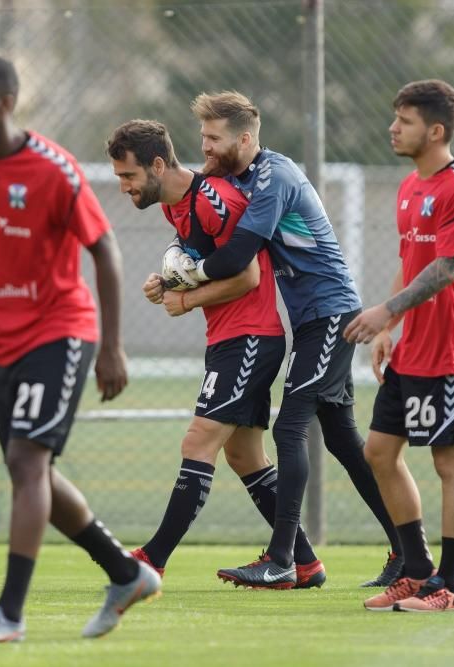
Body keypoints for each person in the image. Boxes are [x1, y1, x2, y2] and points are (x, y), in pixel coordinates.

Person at [0, 55, 160, 643]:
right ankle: (125, 572)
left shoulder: (53, 169)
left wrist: (112, 347)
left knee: (27, 464)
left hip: (62, 329)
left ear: (4, 103)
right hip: (9, 340)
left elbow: (105, 250)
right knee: (30, 468)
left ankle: (8, 614)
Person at [167, 91, 403, 589]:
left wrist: (185, 279)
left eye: (213, 138)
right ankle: (408, 549)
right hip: (312, 320)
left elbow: (237, 258)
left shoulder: (276, 176)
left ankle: (283, 560)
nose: (204, 148)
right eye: (202, 138)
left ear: (245, 138)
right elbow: (197, 211)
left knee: (290, 427)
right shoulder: (232, 177)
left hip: (331, 315)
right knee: (342, 440)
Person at [106, 119, 325, 589]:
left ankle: (152, 558)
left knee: (197, 441)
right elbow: (197, 265)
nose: (123, 186)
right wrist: (166, 281)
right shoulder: (176, 206)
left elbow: (247, 276)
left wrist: (184, 300)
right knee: (244, 456)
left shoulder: (212, 200)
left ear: (158, 165)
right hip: (230, 338)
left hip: (251, 337)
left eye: (128, 176)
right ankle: (304, 562)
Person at [344, 80, 454, 612]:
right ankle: (417, 570)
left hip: (450, 350)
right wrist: (389, 328)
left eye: (402, 121)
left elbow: (448, 268)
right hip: (411, 348)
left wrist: (386, 311)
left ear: (435, 130)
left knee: (450, 464)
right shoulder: (409, 187)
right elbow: (413, 264)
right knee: (379, 452)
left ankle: (448, 586)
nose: (392, 128)